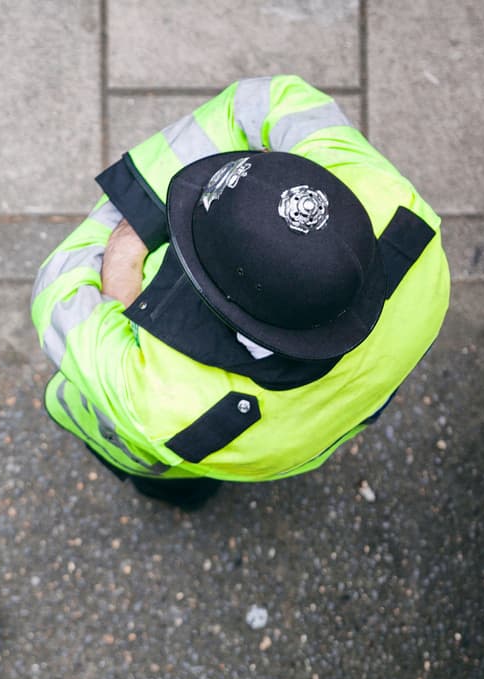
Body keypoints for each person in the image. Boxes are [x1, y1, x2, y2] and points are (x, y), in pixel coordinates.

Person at [30, 74, 450, 510]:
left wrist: (129, 238)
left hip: (158, 443)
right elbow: (273, 99)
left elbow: (58, 288)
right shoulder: (401, 213)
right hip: (337, 414)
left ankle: (183, 495)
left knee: (168, 473)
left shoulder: (169, 406)